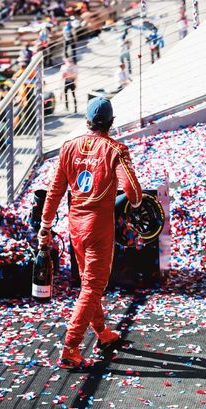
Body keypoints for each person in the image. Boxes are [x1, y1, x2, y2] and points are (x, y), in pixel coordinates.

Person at [38, 97, 142, 368]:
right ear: (111, 122)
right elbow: (132, 192)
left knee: (88, 283)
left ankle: (102, 333)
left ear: (86, 121)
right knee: (94, 286)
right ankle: (70, 348)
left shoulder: (68, 147)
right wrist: (138, 202)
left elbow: (55, 191)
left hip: (75, 226)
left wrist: (45, 227)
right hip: (98, 227)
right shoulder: (115, 149)